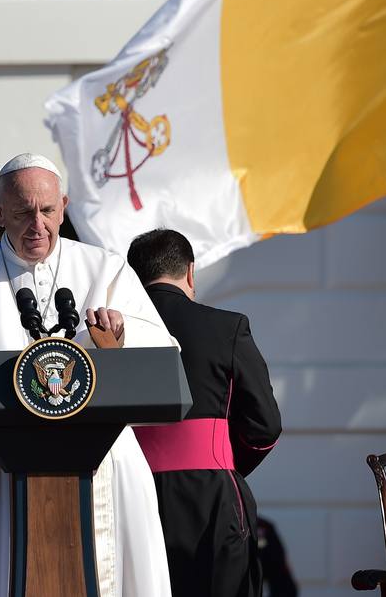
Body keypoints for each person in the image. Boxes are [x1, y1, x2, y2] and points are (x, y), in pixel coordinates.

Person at [0, 152, 176, 597]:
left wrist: (116, 346)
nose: (36, 225)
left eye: (46, 211)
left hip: (103, 466)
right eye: (22, 213)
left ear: (63, 205)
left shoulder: (108, 269)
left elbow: (156, 363)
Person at [126, 228, 282, 597]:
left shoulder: (105, 335)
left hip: (130, 491)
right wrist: (220, 461)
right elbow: (265, 426)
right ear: (191, 273)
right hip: (210, 496)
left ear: (133, 278)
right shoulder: (227, 327)